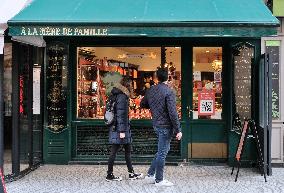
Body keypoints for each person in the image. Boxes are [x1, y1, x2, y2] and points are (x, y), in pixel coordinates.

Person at [140, 67, 182, 187]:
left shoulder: (151, 90)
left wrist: (154, 107)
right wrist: (178, 129)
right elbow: (173, 113)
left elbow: (143, 104)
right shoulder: (168, 92)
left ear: (156, 78)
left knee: (161, 151)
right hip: (166, 126)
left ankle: (150, 174)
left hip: (157, 124)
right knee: (162, 153)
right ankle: (159, 180)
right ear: (167, 78)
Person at [106, 77, 143, 182]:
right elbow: (121, 114)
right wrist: (122, 131)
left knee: (127, 151)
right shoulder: (122, 96)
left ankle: (131, 173)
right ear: (128, 85)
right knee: (114, 151)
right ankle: (109, 175)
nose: (132, 86)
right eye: (131, 84)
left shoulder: (117, 94)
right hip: (119, 129)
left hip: (119, 127)